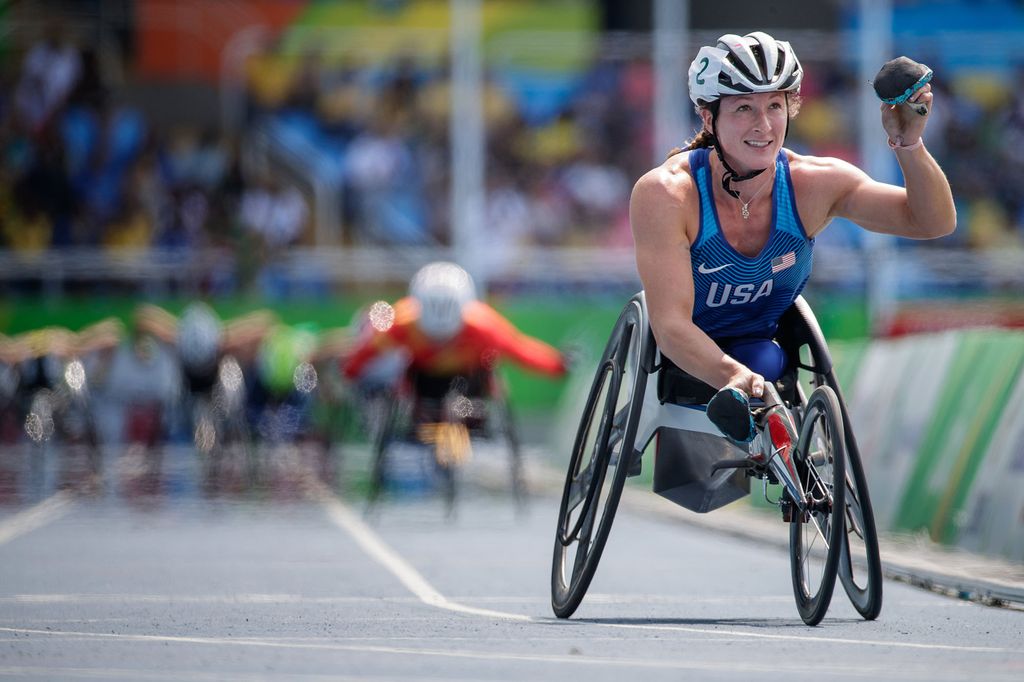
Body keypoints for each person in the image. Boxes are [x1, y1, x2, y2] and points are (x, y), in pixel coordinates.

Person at [629, 32, 956, 442]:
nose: (763, 126)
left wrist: (909, 144)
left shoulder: (814, 184)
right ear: (709, 119)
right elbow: (671, 325)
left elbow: (931, 222)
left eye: (774, 106)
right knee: (757, 367)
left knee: (767, 359)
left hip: (761, 344)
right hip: (686, 350)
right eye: (744, 108)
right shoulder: (667, 193)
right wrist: (734, 376)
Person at [342, 261, 568, 409]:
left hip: (471, 384)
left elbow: (520, 350)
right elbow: (366, 353)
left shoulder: (483, 326)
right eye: (431, 336)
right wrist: (349, 371)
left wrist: (559, 365)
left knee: (490, 374)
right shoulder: (400, 323)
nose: (440, 342)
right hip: (420, 383)